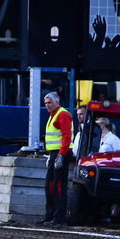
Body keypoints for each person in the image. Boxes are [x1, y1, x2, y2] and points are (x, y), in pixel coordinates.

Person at [35, 92, 74, 227]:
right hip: (55, 154)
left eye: (49, 103)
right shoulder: (53, 115)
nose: (47, 105)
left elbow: (66, 137)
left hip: (61, 153)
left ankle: (60, 218)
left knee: (58, 186)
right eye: (45, 103)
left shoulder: (62, 114)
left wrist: (61, 156)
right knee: (50, 185)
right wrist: (52, 156)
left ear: (57, 102)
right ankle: (50, 216)